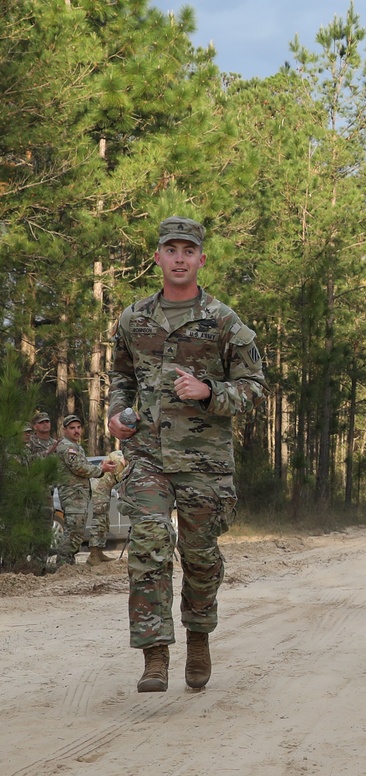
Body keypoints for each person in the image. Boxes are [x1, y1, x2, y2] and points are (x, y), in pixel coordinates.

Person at [108, 216, 266, 693]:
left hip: (204, 461)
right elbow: (121, 378)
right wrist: (117, 414)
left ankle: (199, 635)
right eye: (170, 249)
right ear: (157, 257)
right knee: (148, 546)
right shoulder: (133, 318)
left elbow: (254, 389)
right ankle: (154, 655)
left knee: (199, 557)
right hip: (147, 456)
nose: (179, 258)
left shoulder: (224, 321)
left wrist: (208, 390)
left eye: (188, 250)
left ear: (200, 259)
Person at [53, 415, 116, 567]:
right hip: (72, 495)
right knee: (73, 532)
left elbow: (83, 465)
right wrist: (101, 469)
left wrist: (100, 466)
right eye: (72, 428)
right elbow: (80, 468)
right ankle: (63, 566)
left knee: (77, 531)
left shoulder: (76, 447)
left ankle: (68, 565)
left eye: (78, 427)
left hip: (79, 496)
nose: (76, 431)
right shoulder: (67, 447)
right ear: (64, 430)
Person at [87, 449, 127, 565]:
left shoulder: (121, 456)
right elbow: (121, 478)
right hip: (99, 488)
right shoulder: (119, 459)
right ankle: (93, 553)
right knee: (99, 520)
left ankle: (99, 551)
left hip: (105, 489)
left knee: (104, 520)